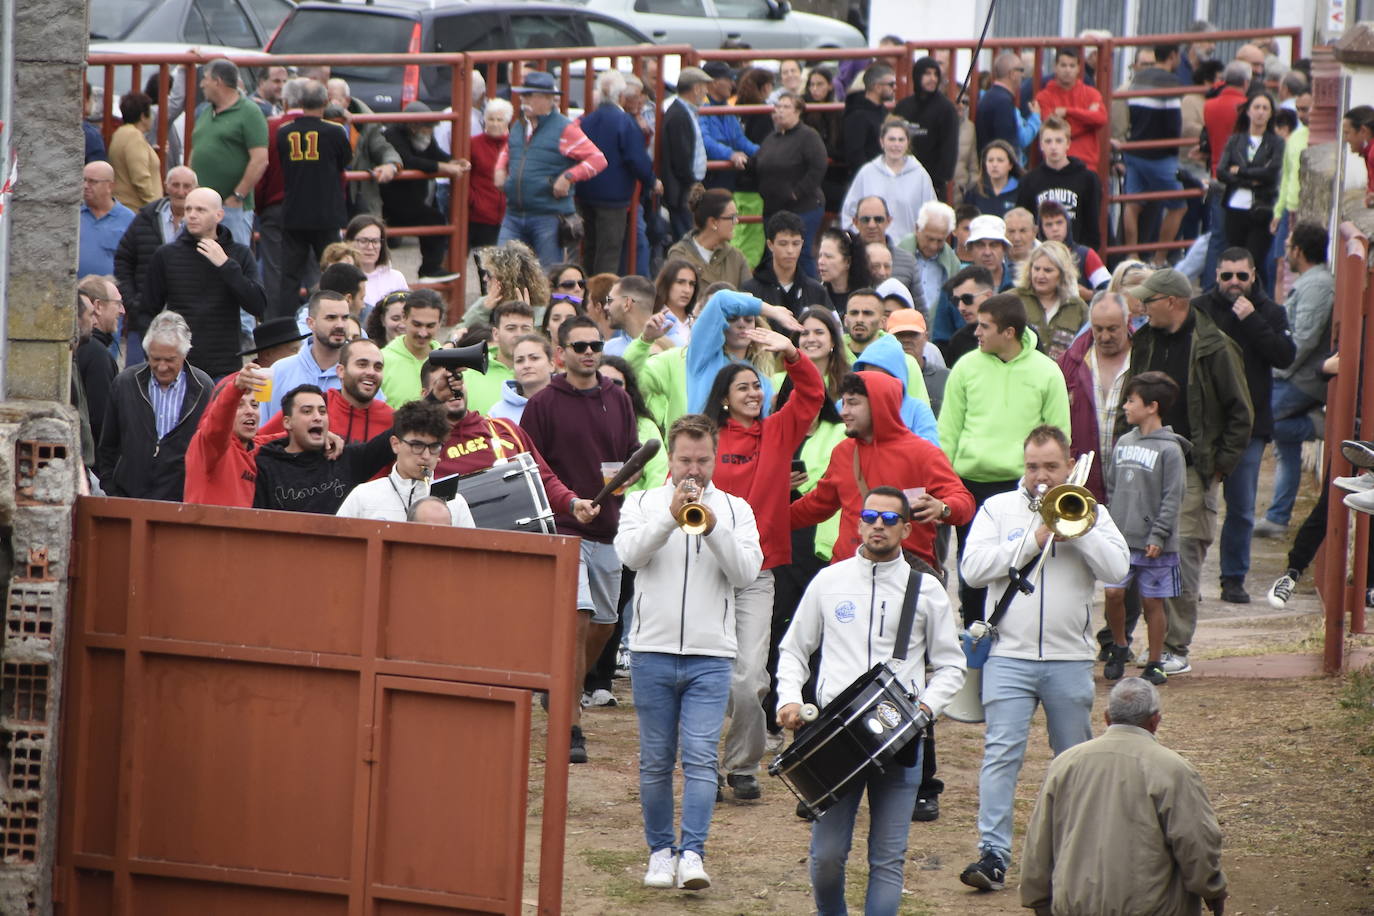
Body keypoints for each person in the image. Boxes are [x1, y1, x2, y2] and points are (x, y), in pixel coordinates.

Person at [777, 487, 966, 915]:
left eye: (889, 519)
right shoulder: (829, 581)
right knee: (826, 857)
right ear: (858, 523)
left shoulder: (927, 589)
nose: (878, 525)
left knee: (887, 858)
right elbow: (793, 649)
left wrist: (925, 709)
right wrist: (788, 698)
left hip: (900, 737)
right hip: (834, 738)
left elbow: (952, 666)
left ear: (906, 528)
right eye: (870, 517)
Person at [958, 425, 1129, 893]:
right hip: (1008, 657)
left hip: (1069, 659)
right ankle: (993, 854)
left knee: (1073, 761)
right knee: (1000, 756)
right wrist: (1035, 538)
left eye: (1051, 466)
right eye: (1033, 466)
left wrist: (1080, 530)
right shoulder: (996, 509)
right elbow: (972, 572)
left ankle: (1074, 853)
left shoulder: (1093, 511)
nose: (1040, 475)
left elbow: (1118, 570)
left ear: (1069, 464)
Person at [615, 414, 762, 891]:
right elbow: (630, 557)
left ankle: (693, 853)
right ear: (671, 460)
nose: (693, 471)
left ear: (714, 458)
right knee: (655, 759)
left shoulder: (738, 510)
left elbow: (745, 574)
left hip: (711, 655)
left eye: (702, 461)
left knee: (700, 758)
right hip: (652, 650)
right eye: (684, 461)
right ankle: (660, 852)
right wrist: (669, 516)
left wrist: (713, 526)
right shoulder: (640, 502)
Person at [702, 326, 824, 800]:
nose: (754, 393)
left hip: (758, 571)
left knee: (751, 677)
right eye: (743, 387)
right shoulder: (708, 437)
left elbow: (813, 394)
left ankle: (742, 764)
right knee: (711, 672)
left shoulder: (778, 430)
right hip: (707, 570)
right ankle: (703, 764)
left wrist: (792, 353)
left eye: (758, 385)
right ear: (725, 399)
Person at [1119, 269, 1252, 675]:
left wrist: (1216, 468)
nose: (1142, 307)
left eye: (1149, 300)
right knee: (1129, 547)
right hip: (1143, 460)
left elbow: (1241, 414)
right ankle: (1121, 642)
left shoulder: (1215, 347)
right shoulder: (1145, 339)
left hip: (1193, 466)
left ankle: (1176, 646)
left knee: (1182, 552)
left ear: (1172, 302)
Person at [522, 317, 638, 764]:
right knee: (578, 617)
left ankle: (562, 686)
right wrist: (570, 505)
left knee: (605, 624)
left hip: (609, 526)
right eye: (580, 345)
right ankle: (571, 726)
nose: (589, 352)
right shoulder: (543, 404)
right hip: (563, 528)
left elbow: (625, 456)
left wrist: (624, 481)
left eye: (596, 344)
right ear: (561, 352)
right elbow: (535, 469)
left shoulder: (618, 398)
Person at [1021, 678, 1228, 916]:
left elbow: (1039, 841)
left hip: (1075, 906)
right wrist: (1212, 888)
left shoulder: (1065, 763)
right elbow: (1195, 842)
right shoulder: (1174, 769)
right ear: (1155, 721)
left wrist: (1037, 898)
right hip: (1152, 909)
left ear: (1107, 717)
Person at [939, 293, 1071, 626]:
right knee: (972, 569)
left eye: (984, 326)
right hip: (969, 485)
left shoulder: (1047, 372)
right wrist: (946, 486)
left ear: (1009, 332)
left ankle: (1017, 639)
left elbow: (1059, 438)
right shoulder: (965, 366)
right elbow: (948, 432)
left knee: (1024, 562)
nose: (976, 333)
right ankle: (974, 642)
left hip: (1024, 489)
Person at [791, 371, 973, 572]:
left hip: (904, 575)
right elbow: (817, 504)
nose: (843, 412)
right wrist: (767, 521)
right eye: (843, 403)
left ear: (879, 404)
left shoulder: (923, 453)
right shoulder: (843, 451)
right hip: (848, 571)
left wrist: (943, 507)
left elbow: (964, 502)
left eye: (853, 403)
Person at [1194, 249, 1294, 603]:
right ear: (1217, 275)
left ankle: (1233, 578)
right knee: (1196, 506)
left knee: (1240, 508)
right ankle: (1190, 580)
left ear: (1254, 275)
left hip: (1249, 427)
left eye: (1241, 276)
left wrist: (1253, 321)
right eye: (1227, 276)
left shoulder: (1269, 312)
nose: (1234, 283)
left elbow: (1285, 355)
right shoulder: (1201, 309)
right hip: (1204, 425)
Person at [1101, 371, 1187, 686]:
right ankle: (1120, 646)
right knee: (1113, 593)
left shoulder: (1170, 450)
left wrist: (1159, 535)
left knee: (1153, 601)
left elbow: (1172, 497)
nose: (1125, 406)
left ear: (1152, 406)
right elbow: (1112, 488)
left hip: (1154, 544)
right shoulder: (1124, 442)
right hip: (1122, 540)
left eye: (1131, 400)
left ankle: (1154, 661)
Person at [1257, 223, 1334, 538]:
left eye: (1288, 245)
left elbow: (1302, 339)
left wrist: (1277, 369)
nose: (1285, 251)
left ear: (1299, 251)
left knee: (1260, 420)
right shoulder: (1312, 282)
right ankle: (1277, 518)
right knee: (1284, 445)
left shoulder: (1317, 286)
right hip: (1298, 375)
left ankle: (1318, 425)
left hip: (1301, 379)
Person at [142, 188, 268, 379]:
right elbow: (147, 310)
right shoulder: (166, 255)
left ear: (219, 215)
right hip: (179, 366)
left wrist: (225, 265)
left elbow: (257, 304)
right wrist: (155, 355)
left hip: (224, 366)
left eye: (200, 210)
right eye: (188, 209)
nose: (191, 215)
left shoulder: (239, 254)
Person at [97, 311, 213, 500]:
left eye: (169, 360)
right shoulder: (125, 384)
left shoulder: (203, 388)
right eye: (155, 359)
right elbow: (107, 447)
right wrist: (112, 490)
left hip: (181, 501)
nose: (161, 367)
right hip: (129, 499)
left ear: (184, 355)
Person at [252, 384, 396, 513]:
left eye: (322, 412)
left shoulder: (345, 458)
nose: (317, 417)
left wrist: (419, 407)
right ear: (287, 423)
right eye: (307, 411)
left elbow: (398, 433)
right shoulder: (265, 466)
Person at [277, 80, 353, 320]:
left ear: (299, 103)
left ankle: (286, 325)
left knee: (289, 276)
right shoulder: (335, 131)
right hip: (326, 213)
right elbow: (346, 161)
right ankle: (335, 317)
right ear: (325, 102)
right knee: (334, 270)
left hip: (294, 212)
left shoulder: (284, 132)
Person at [335, 400, 475, 525]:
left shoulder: (456, 503)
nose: (426, 456)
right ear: (395, 444)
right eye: (417, 446)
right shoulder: (363, 497)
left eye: (434, 447)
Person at [577, 70, 659, 275]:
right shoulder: (625, 122)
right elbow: (636, 159)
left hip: (585, 193)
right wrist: (652, 181)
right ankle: (602, 302)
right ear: (621, 96)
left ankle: (583, 296)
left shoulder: (587, 120)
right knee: (609, 253)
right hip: (613, 199)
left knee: (589, 249)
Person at [115, 165, 197, 363]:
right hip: (143, 321)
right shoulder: (145, 219)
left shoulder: (202, 226)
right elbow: (123, 261)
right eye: (175, 185)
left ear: (195, 189)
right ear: (166, 186)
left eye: (187, 186)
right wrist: (133, 302)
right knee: (137, 382)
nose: (181, 191)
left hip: (188, 324)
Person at [1057, 291, 1132, 503]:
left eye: (1112, 329)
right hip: (1083, 486)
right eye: (1098, 329)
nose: (1105, 336)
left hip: (1132, 483)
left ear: (1128, 321)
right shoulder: (1069, 363)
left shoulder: (1145, 357)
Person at [381, 102, 468, 280]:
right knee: (434, 220)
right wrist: (442, 166)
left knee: (434, 219)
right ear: (413, 126)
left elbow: (435, 153)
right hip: (392, 201)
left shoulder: (424, 137)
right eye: (427, 127)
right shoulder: (392, 135)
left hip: (413, 198)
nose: (430, 132)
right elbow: (407, 160)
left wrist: (453, 161)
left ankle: (431, 268)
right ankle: (430, 269)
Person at [190, 59, 269, 248]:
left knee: (232, 262)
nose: (202, 84)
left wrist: (237, 196)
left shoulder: (249, 112)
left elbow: (260, 159)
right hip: (200, 208)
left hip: (231, 209)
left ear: (218, 81)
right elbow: (196, 149)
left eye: (205, 79)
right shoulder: (205, 112)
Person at [1123, 45, 1186, 266]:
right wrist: (1174, 149)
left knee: (1132, 202)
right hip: (1159, 156)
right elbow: (1173, 123)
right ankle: (1159, 259)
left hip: (1134, 150)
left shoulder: (1138, 78)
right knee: (1179, 206)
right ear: (1173, 56)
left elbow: (1131, 113)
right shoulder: (1170, 82)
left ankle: (1132, 256)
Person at [753, 92, 829, 277]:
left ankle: (811, 297)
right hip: (773, 208)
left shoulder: (808, 136)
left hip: (803, 206)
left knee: (800, 253)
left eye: (786, 107)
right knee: (774, 255)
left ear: (798, 112)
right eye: (777, 107)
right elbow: (759, 162)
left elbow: (818, 166)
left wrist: (797, 192)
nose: (780, 111)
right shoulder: (772, 137)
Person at [1215, 92, 1284, 281]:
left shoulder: (1276, 142)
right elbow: (1222, 171)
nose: (1260, 112)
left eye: (1265, 108)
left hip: (1261, 208)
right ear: (1248, 111)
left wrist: (1241, 171)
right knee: (1233, 258)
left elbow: (1271, 172)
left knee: (1254, 260)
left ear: (1271, 114)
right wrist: (1250, 180)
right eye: (1256, 107)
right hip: (1235, 207)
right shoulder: (1235, 140)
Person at [261, 290, 354, 420]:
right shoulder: (279, 371)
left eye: (345, 318)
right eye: (331, 318)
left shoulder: (357, 374)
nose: (340, 325)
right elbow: (261, 431)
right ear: (311, 323)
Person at [841, 120, 937, 246]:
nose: (896, 144)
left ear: (907, 143)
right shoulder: (867, 173)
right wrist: (861, 240)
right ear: (882, 142)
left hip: (907, 251)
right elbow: (849, 213)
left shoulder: (920, 175)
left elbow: (932, 215)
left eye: (901, 140)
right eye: (891, 139)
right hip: (871, 249)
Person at [1015, 116, 1102, 250]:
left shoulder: (1088, 179)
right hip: (1041, 256)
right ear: (1041, 145)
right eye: (1048, 141)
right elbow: (1024, 224)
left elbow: (1093, 226)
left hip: (1076, 255)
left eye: (1059, 141)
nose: (1053, 147)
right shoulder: (1029, 181)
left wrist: (1084, 257)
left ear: (1068, 143)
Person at [324, 78, 402, 219]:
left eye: (333, 100)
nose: (330, 106)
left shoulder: (366, 124)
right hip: (326, 195)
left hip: (357, 195)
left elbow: (383, 148)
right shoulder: (316, 123)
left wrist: (391, 165)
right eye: (326, 100)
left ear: (347, 101)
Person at [743, 210, 832, 318]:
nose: (790, 250)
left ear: (802, 244)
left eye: (796, 243)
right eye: (783, 244)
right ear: (770, 245)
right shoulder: (750, 290)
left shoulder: (817, 291)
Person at [894, 57, 960, 197]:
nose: (932, 79)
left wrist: (938, 181)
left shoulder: (946, 109)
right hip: (901, 179)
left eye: (936, 74)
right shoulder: (903, 107)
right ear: (917, 76)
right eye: (927, 74)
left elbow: (949, 150)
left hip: (932, 184)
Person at [1013, 239, 1088, 361]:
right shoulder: (1013, 300)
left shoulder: (1078, 307)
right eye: (1036, 269)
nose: (1040, 275)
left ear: (1062, 274)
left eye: (1048, 270)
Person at [1033, 49, 1107, 171]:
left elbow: (1101, 119)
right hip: (1056, 165)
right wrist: (1088, 120)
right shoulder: (1043, 96)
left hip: (1086, 165)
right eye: (1063, 65)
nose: (1067, 70)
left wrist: (1067, 112)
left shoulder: (1091, 93)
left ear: (1079, 68)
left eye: (1072, 65)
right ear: (1055, 67)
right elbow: (1051, 127)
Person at [460, 299, 536, 416]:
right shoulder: (468, 376)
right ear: (496, 334)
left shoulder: (545, 376)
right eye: (511, 328)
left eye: (525, 328)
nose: (519, 335)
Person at [665, 189, 752, 290]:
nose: (736, 221)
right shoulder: (679, 255)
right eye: (732, 217)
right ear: (713, 222)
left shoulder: (736, 257)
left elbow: (749, 299)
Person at [74, 276, 123, 443]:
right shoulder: (97, 354)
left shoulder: (81, 346)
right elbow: (101, 419)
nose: (122, 311)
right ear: (98, 306)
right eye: (118, 303)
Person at [848, 197, 923, 304]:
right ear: (855, 222)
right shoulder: (846, 259)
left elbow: (920, 311)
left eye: (878, 219)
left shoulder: (908, 261)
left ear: (889, 221)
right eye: (865, 220)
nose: (872, 225)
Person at [976, 53, 1041, 164]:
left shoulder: (989, 96)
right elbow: (1009, 143)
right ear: (1012, 74)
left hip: (988, 166)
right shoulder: (1003, 103)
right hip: (1001, 173)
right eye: (1021, 70)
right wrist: (1035, 117)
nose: (1023, 75)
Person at [1038, 199, 1111, 297]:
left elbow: (1110, 290)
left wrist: (1089, 294)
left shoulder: (1086, 254)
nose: (1055, 229)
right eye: (1049, 224)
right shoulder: (1035, 257)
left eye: (1059, 222)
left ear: (1067, 224)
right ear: (1041, 229)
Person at [467, 97, 512, 252]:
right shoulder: (473, 144)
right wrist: (474, 201)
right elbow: (464, 176)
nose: (494, 123)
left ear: (507, 122)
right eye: (490, 119)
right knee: (484, 265)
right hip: (480, 214)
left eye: (499, 119)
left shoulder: (516, 144)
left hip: (508, 214)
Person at [79, 161, 136, 279]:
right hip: (75, 293)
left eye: (92, 181)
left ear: (110, 186)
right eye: (83, 180)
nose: (85, 186)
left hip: (112, 294)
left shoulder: (128, 219)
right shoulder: (75, 215)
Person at [108, 92, 163, 210]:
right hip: (137, 209)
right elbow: (140, 177)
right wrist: (154, 207)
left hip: (123, 205)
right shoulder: (134, 136)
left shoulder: (120, 134)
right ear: (143, 116)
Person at [841, 64, 897, 178]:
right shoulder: (857, 116)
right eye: (891, 84)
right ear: (877, 87)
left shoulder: (884, 111)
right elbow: (856, 155)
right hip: (869, 179)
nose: (895, 87)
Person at [346, 216, 409, 314]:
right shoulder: (341, 278)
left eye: (375, 241)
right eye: (363, 241)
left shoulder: (396, 278)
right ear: (349, 242)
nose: (370, 247)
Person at [490, 333, 554, 423]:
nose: (526, 365)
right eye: (519, 360)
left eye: (534, 358)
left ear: (551, 364)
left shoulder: (567, 403)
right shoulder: (497, 413)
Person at [939, 265, 995, 366]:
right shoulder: (959, 341)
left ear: (988, 296)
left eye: (967, 299)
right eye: (956, 301)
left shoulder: (1021, 333)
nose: (961, 307)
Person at [817, 229, 871, 314]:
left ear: (847, 261)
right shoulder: (816, 295)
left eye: (828, 256)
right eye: (820, 255)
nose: (821, 261)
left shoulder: (868, 298)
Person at [963, 140, 1022, 217]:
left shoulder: (1021, 191)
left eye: (1000, 160)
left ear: (1010, 165)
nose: (994, 164)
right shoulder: (974, 191)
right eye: (990, 160)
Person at [964, 214, 1017, 293]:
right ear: (971, 249)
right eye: (980, 245)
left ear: (1004, 248)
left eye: (994, 245)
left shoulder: (1020, 284)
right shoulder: (957, 284)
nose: (987, 252)